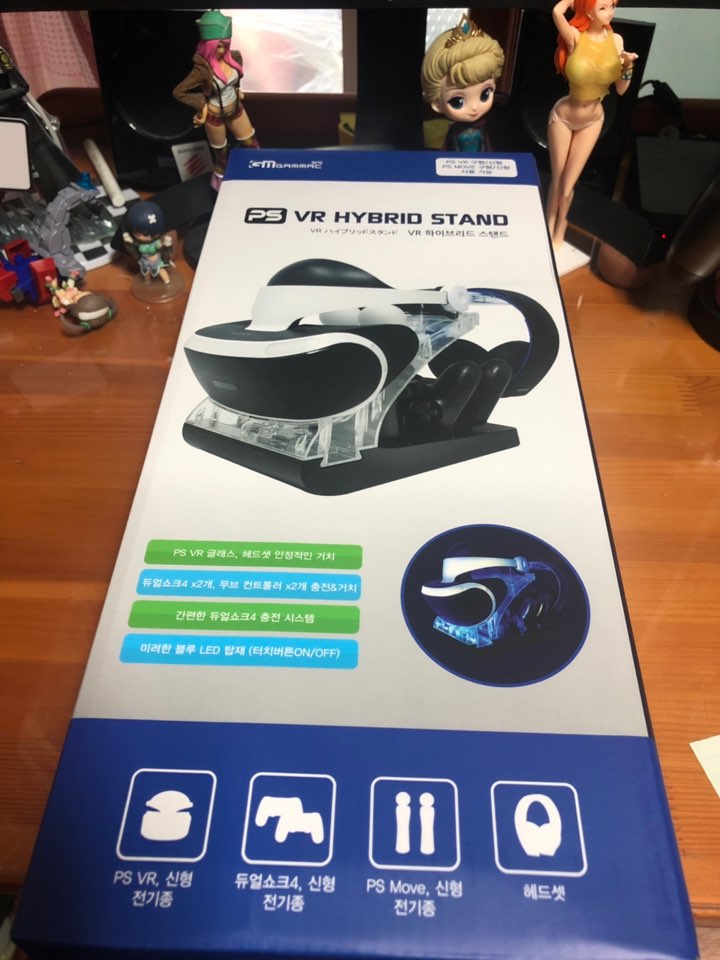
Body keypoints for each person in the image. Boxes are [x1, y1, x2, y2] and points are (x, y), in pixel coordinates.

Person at [546, 0, 638, 249]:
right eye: (603, 7)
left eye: (613, 6)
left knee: (568, 185)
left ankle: (561, 226)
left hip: (593, 120)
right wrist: (574, 1)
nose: (610, 13)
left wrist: (627, 65)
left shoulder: (616, 41)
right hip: (563, 117)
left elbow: (621, 89)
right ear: (588, 10)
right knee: (558, 178)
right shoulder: (575, 37)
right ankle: (549, 222)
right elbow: (556, 11)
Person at [173, 10, 259, 190]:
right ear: (208, 46)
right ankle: (219, 187)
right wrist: (202, 105)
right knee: (222, 156)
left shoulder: (235, 58)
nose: (222, 50)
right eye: (218, 46)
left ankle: (261, 176)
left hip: (235, 109)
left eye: (225, 45)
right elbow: (179, 92)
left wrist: (237, 91)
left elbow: (236, 80)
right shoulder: (202, 70)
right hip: (214, 116)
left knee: (252, 144)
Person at [421, 14, 504, 152]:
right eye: (457, 101)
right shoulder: (455, 131)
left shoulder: (484, 128)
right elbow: (447, 152)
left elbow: (487, 148)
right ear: (437, 104)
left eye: (485, 94)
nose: (475, 108)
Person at [122, 201, 174, 287]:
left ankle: (167, 282)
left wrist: (166, 246)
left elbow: (162, 249)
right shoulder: (138, 243)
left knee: (161, 270)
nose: (147, 237)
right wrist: (129, 242)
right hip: (144, 260)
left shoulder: (156, 242)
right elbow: (133, 249)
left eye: (151, 234)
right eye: (139, 233)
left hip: (156, 259)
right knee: (146, 272)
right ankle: (147, 282)